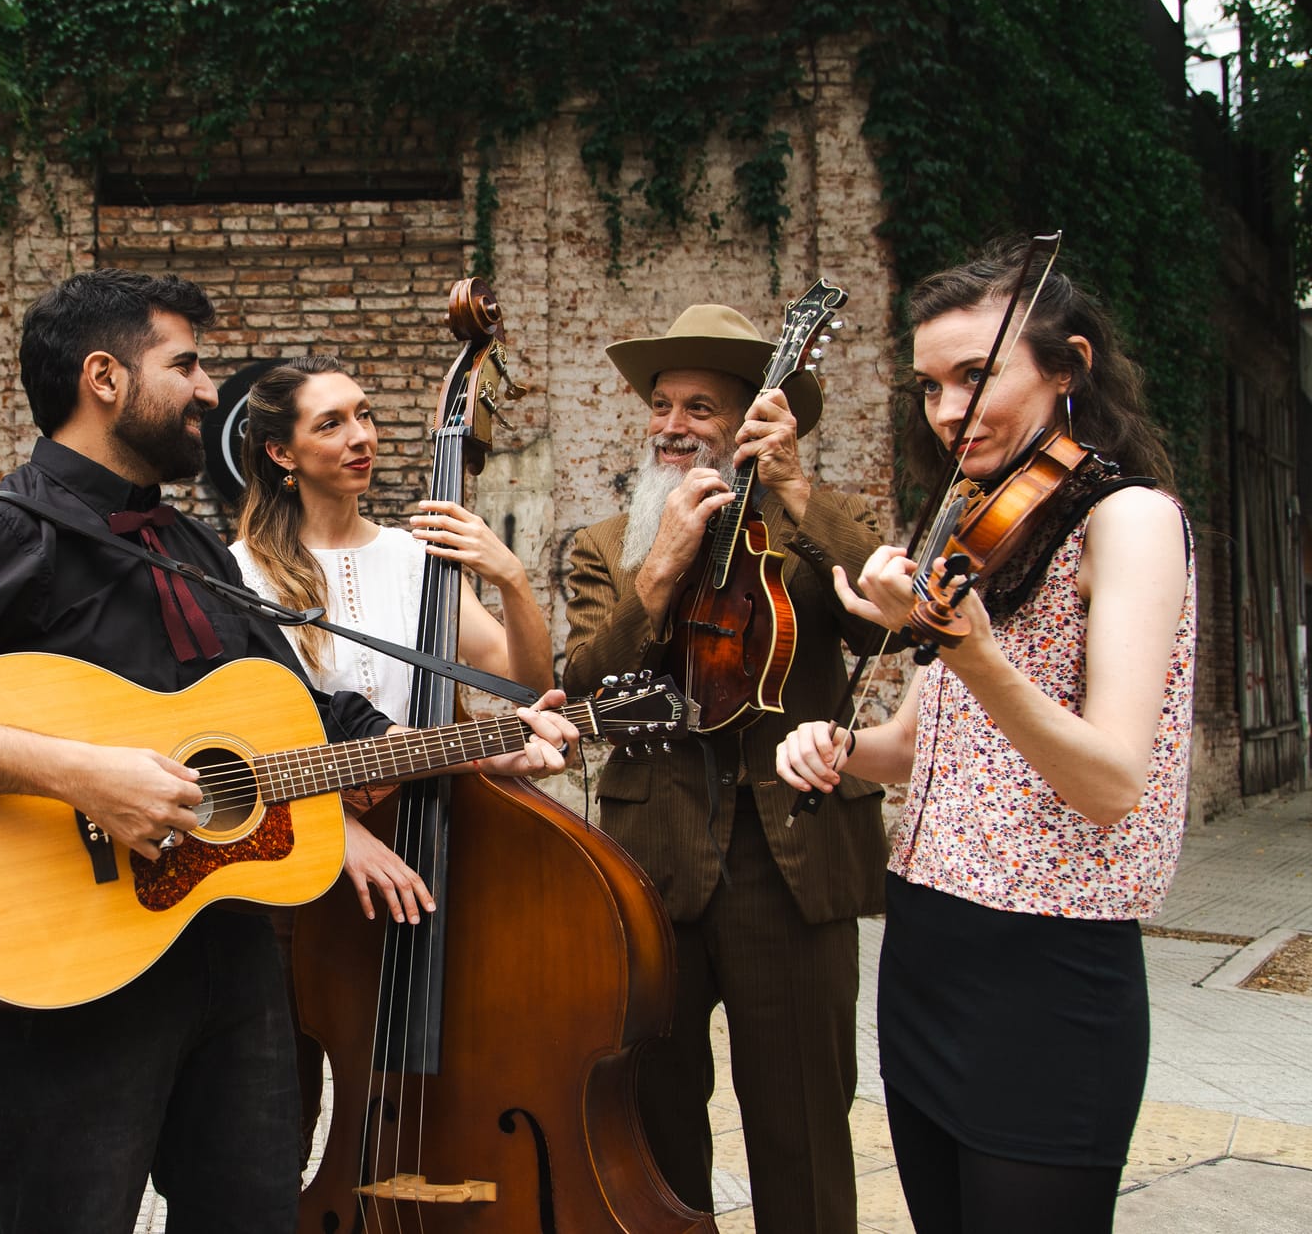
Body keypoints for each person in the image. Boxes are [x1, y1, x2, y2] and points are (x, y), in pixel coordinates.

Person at [0, 268, 579, 1233]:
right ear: (104, 379)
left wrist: (469, 746)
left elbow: (302, 714)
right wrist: (81, 774)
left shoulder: (191, 549)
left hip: (229, 957)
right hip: (70, 973)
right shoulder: (4, 533)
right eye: (188, 364)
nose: (212, 390)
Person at [777, 244, 1194, 1234]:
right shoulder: (972, 527)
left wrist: (968, 651)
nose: (944, 407)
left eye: (974, 375)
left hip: (1044, 968)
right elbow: (919, 749)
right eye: (928, 385)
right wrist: (837, 754)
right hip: (926, 945)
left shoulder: (1127, 520)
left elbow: (1110, 782)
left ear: (1067, 367)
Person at [560, 304, 889, 1233]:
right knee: (653, 1132)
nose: (672, 423)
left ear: (752, 419)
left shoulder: (818, 528)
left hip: (793, 856)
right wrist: (658, 569)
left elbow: (894, 615)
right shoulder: (607, 545)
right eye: (661, 403)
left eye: (700, 406)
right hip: (650, 861)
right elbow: (586, 692)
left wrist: (796, 492)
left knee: (804, 1132)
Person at [230, 353, 553, 921]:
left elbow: (528, 684)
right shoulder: (243, 575)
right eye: (331, 424)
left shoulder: (414, 559)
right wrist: (339, 829)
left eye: (365, 415)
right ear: (282, 453)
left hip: (435, 816)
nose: (361, 438)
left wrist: (512, 578)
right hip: (306, 846)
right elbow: (246, 744)